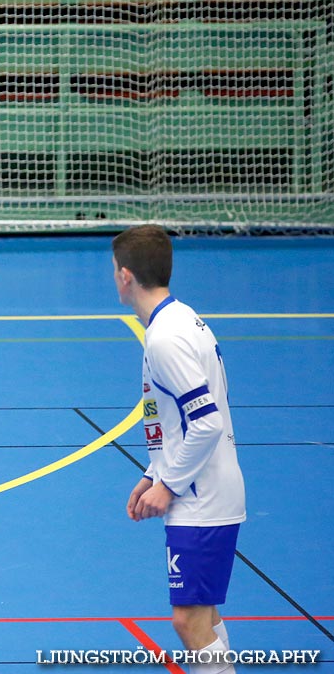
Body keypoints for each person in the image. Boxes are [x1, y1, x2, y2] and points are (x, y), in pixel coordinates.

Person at [113, 225, 245, 674]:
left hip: (201, 497)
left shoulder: (166, 338)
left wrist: (168, 484)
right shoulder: (181, 319)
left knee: (189, 622)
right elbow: (175, 419)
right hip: (210, 489)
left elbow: (205, 422)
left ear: (126, 276)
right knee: (204, 618)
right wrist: (154, 472)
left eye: (114, 271)